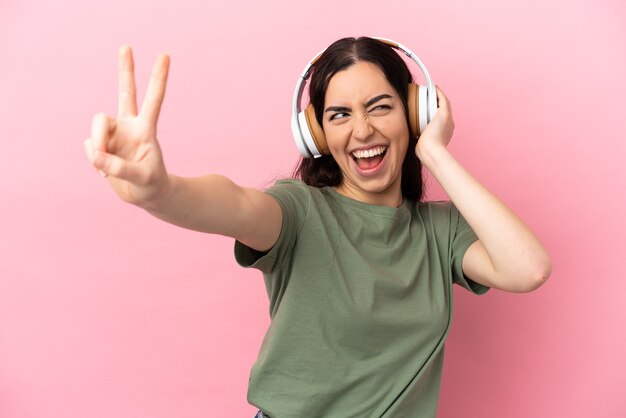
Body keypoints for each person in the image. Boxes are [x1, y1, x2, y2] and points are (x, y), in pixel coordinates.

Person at [84, 37, 551, 418]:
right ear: (318, 134)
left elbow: (527, 268)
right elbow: (230, 204)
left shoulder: (440, 231)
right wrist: (159, 190)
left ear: (415, 113)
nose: (362, 130)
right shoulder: (300, 212)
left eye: (381, 107)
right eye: (339, 115)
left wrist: (435, 153)